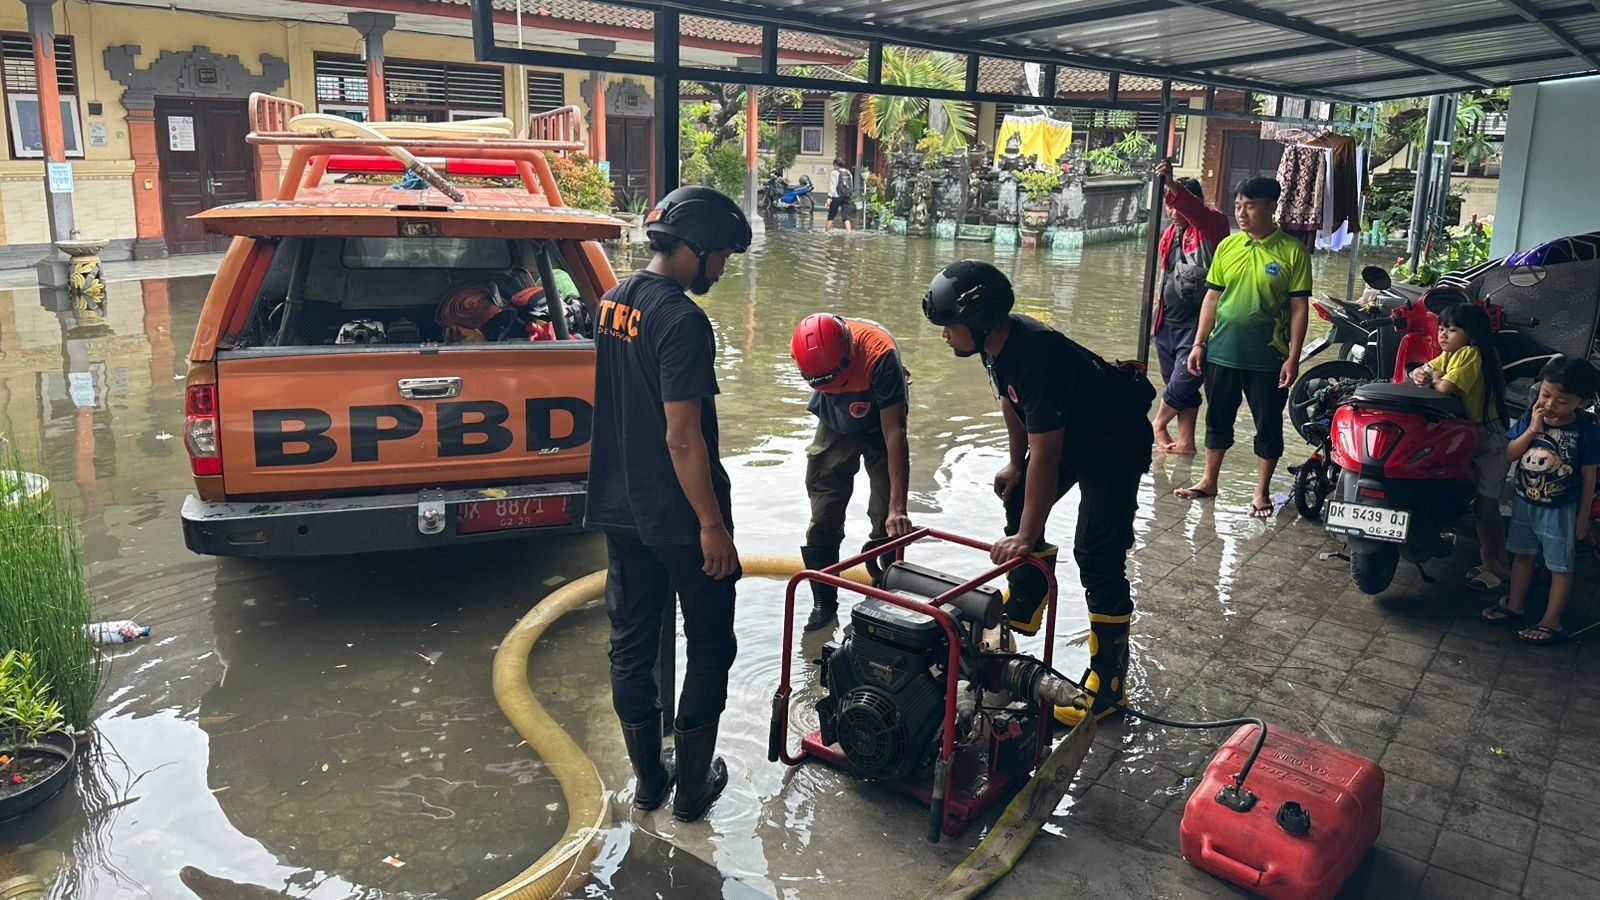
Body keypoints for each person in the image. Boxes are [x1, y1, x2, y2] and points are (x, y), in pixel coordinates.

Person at [922, 260, 1155, 725]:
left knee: (1097, 553)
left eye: (949, 327)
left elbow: (1047, 455)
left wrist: (1026, 537)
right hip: (1071, 434)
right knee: (1018, 491)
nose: (945, 336)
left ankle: (1108, 683)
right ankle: (1028, 596)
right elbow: (1014, 406)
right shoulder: (995, 346)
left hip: (1114, 443)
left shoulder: (1037, 356)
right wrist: (1014, 463)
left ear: (978, 320)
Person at [583, 185, 751, 822]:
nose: (722, 271)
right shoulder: (681, 319)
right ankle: (690, 794)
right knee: (710, 647)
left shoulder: (611, 303)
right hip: (682, 519)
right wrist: (712, 525)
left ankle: (649, 781)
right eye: (722, 259)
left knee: (631, 643)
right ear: (697, 249)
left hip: (621, 507)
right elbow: (682, 436)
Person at [1176, 176, 1311, 518]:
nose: (1242, 213)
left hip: (1268, 356)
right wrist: (1198, 343)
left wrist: (1293, 357)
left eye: (1250, 206)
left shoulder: (1292, 252)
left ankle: (1261, 492)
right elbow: (1212, 297)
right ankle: (1209, 481)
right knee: (1217, 417)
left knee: (1267, 423)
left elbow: (1299, 308)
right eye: (1238, 206)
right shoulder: (1227, 247)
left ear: (1271, 207)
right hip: (1221, 351)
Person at [789, 313, 914, 631]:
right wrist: (834, 393)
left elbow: (895, 433)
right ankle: (824, 603)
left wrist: (897, 508)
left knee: (886, 513)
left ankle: (886, 598)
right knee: (824, 506)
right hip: (835, 421)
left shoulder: (879, 356)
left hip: (882, 419)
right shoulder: (809, 354)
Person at [1482, 357, 1599, 644]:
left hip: (1562, 511)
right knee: (1523, 555)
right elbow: (1510, 454)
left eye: (1562, 400)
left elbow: (1589, 480)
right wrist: (1533, 428)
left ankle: (1552, 621)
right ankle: (1515, 605)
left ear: (1581, 403)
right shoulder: (1530, 418)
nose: (1550, 404)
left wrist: (1582, 519)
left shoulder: (1587, 433)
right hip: (1525, 503)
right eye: (1546, 395)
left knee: (1561, 566)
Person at [1410, 303, 1510, 591]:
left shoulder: (1471, 354)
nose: (1443, 335)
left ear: (1472, 334)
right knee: (1481, 506)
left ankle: (1495, 565)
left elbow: (1444, 387)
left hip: (1489, 437)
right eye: (1441, 328)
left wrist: (1432, 379)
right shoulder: (1451, 353)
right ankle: (1496, 560)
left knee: (1486, 509)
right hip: (1471, 432)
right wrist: (1420, 374)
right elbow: (1425, 371)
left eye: (1452, 330)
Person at [1151, 161, 1230, 455]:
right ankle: (1186, 443)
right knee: (1179, 384)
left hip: (1198, 327)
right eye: (1168, 207)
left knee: (1185, 379)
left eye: (1177, 205)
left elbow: (1198, 214)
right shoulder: (1170, 234)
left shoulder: (1211, 225)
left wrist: (1171, 183)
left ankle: (1157, 424)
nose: (1173, 212)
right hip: (1167, 324)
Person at [826, 158, 854, 234]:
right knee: (846, 217)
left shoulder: (834, 172)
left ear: (835, 165)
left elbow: (833, 185)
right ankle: (849, 234)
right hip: (847, 196)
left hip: (836, 196)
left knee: (831, 215)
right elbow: (851, 184)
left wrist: (829, 197)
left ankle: (826, 233)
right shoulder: (848, 172)